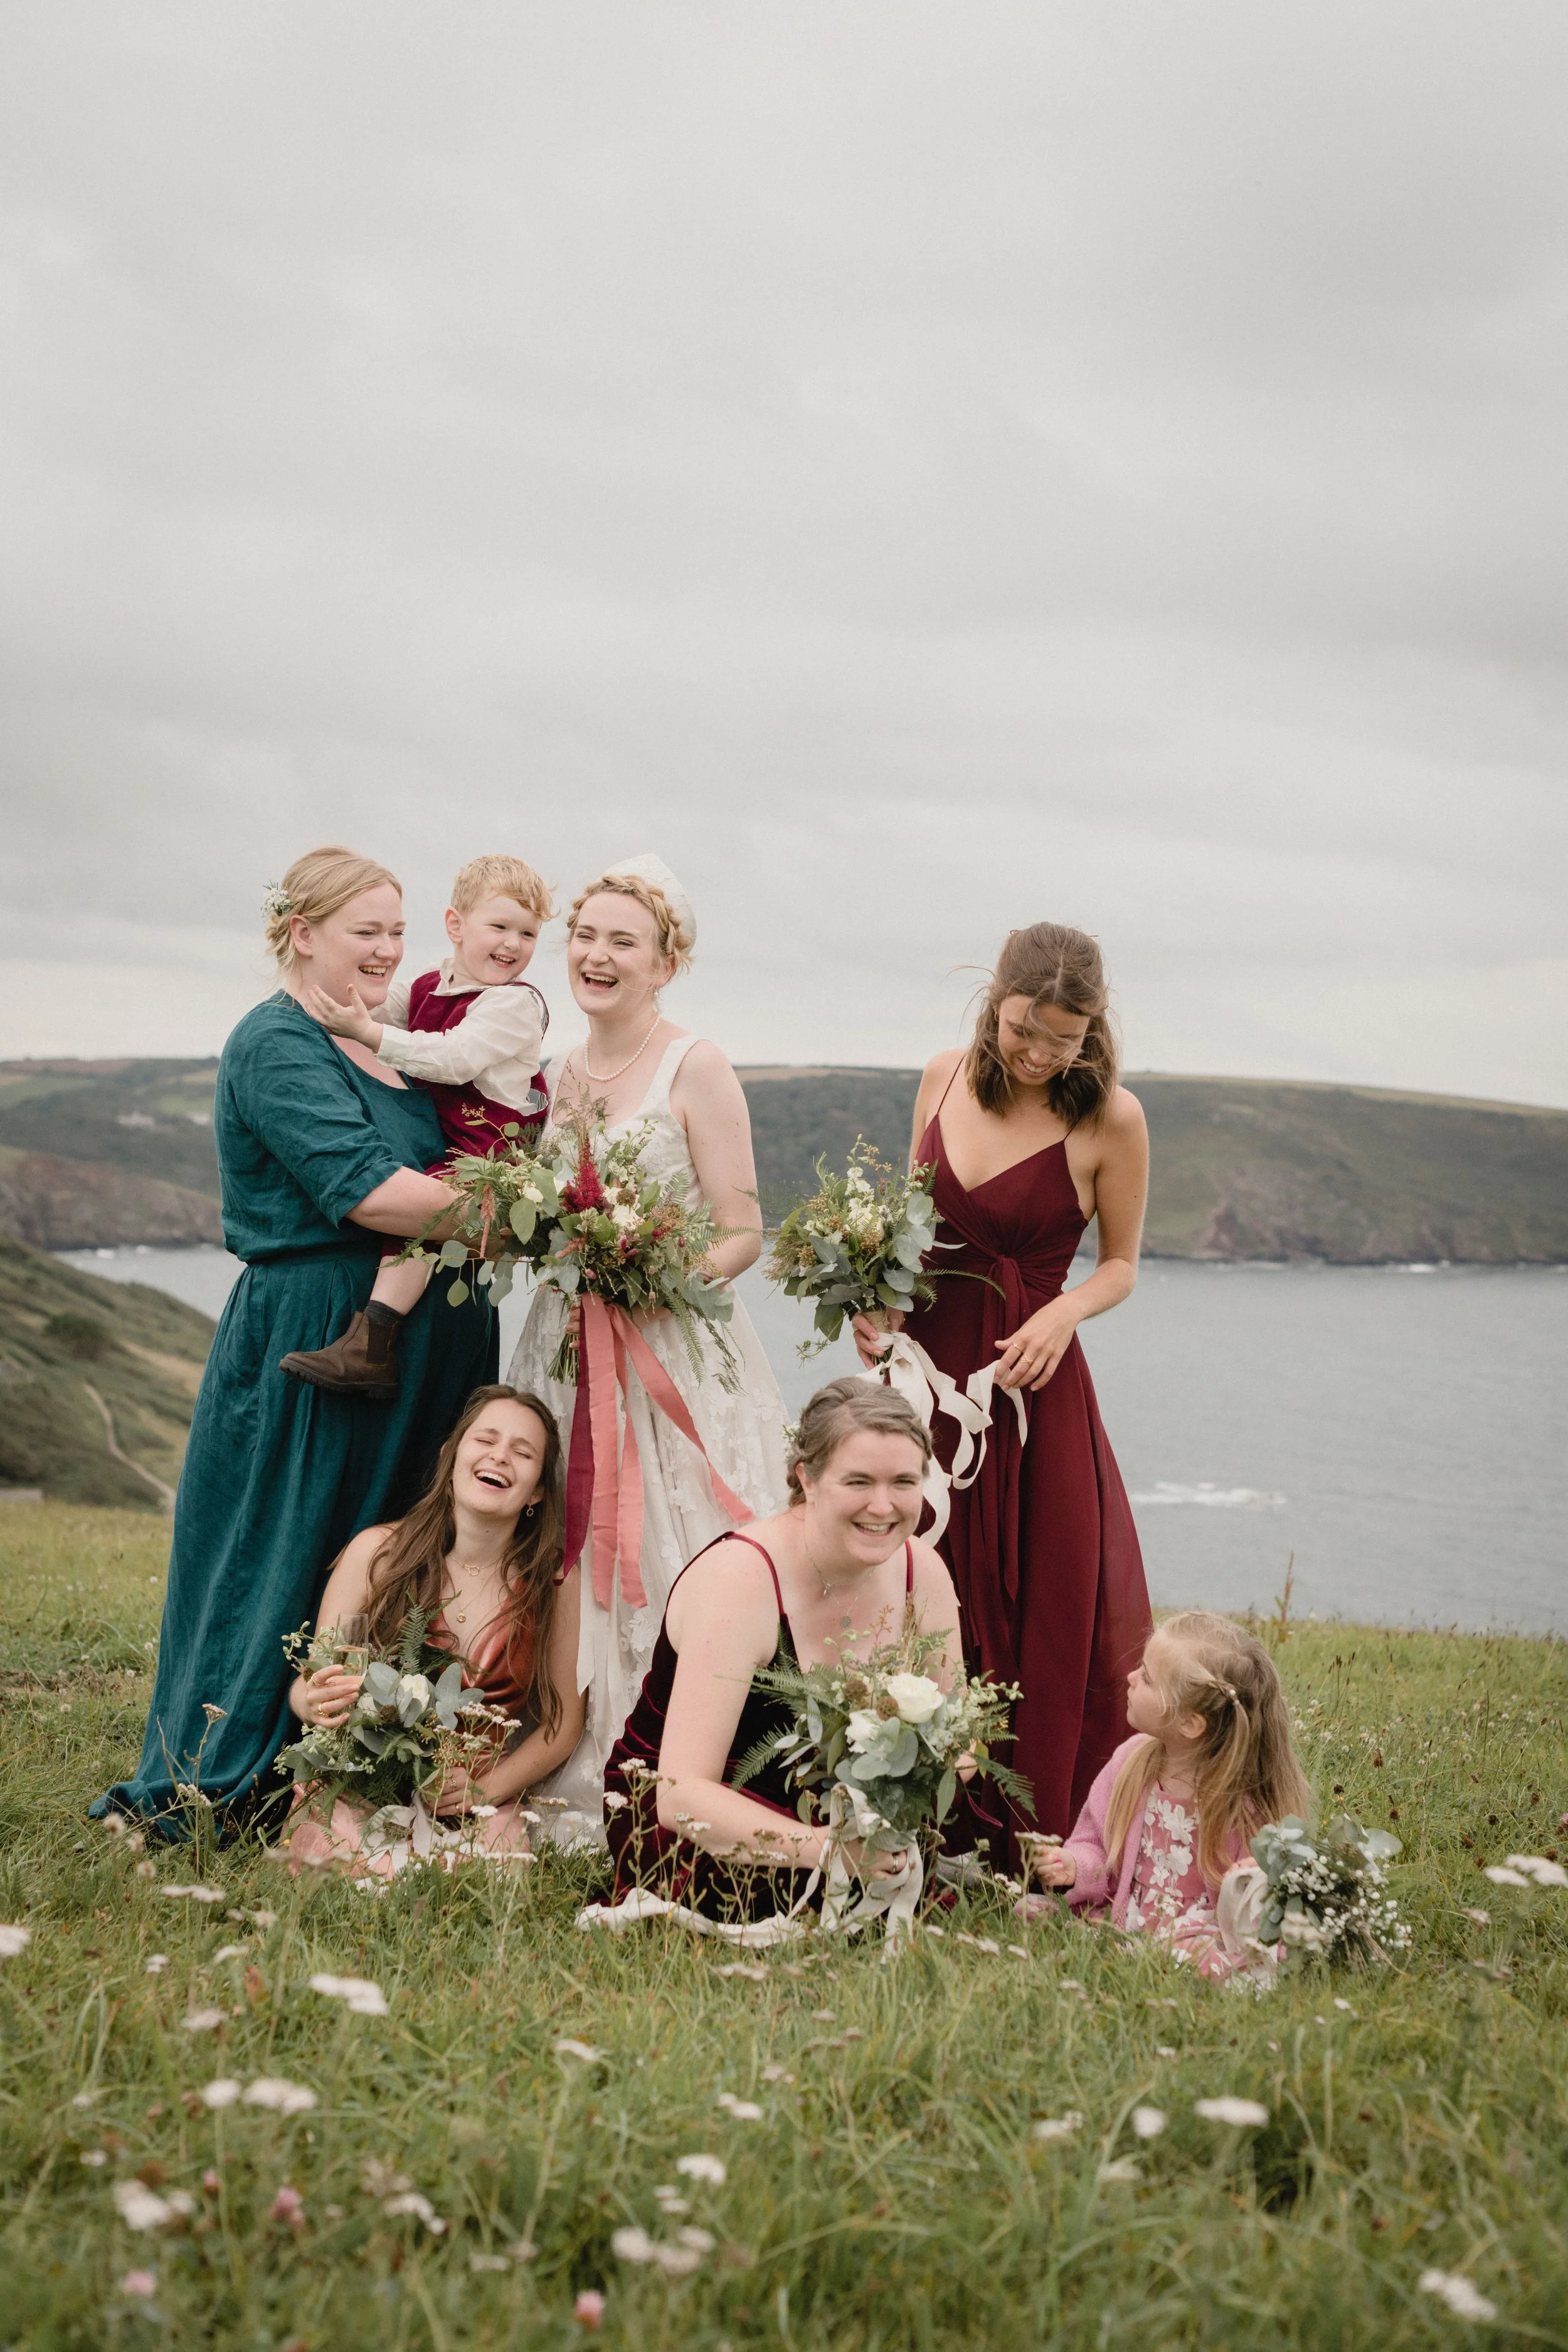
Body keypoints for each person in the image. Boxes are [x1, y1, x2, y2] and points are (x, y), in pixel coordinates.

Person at [94, 845, 497, 1836]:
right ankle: (224, 1776)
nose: (387, 951)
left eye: (398, 932)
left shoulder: (391, 1035)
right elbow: (367, 1192)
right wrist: (528, 1216)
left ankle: (370, 1760)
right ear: (302, 932)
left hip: (430, 1340)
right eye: (367, 931)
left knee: (402, 1553)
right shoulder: (274, 1043)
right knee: (284, 1543)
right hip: (318, 1330)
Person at [854, 920, 1152, 1855]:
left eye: (1062, 1039)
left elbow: (1122, 1264)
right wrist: (879, 1304)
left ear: (1092, 1030)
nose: (1036, 1053)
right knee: (908, 1573)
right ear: (995, 1001)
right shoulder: (942, 1074)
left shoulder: (1113, 1118)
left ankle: (1021, 1825)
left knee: (1039, 1600)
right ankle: (902, 1795)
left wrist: (1061, 1316)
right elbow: (909, 1225)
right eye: (1024, 1028)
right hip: (926, 1373)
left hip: (1028, 1382)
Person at [507, 852, 789, 1840]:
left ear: (665, 962)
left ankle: (683, 1760)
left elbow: (742, 1229)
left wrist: (653, 1283)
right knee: (564, 1542)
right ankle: (560, 1751)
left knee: (677, 1542)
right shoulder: (549, 1073)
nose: (596, 955)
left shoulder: (695, 1064)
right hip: (565, 1344)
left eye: (622, 941)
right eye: (585, 937)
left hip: (672, 1350)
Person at [603, 1379, 960, 1922]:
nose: (883, 1506)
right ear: (807, 1480)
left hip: (849, 1818)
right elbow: (680, 1797)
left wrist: (902, 1798)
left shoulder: (921, 1570)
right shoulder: (742, 1581)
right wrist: (831, 1850)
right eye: (858, 1481)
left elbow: (959, 1737)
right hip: (699, 1819)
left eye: (904, 1482)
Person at [280, 852, 553, 1399]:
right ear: (456, 925)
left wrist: (369, 1034)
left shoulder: (514, 1005)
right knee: (423, 1212)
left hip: (490, 1145)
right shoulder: (432, 986)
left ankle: (371, 1344)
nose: (512, 944)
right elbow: (377, 1008)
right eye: (499, 926)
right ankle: (372, 1343)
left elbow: (453, 1059)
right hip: (455, 1137)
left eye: (527, 933)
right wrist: (318, 1005)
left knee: (424, 1221)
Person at [283, 1386, 584, 1873]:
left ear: (538, 1491)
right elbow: (310, 1681)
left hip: (473, 1800)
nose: (500, 1456)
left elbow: (564, 1725)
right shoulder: (377, 1553)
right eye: (486, 1439)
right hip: (363, 1784)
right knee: (345, 1865)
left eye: (522, 1452)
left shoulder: (555, 1584)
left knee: (481, 1880)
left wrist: (487, 1789)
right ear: (452, 1457)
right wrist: (313, 1702)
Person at [1019, 1611, 1310, 1981]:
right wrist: (1073, 1865)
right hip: (1127, 1913)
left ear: (1189, 1723)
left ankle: (1157, 1960)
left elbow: (1263, 1900)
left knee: (1202, 1956)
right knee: (1031, 1910)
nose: (1131, 1677)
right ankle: (1133, 1952)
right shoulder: (1131, 1762)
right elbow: (1096, 1842)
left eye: (1148, 1678)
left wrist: (1256, 1877)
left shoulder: (1240, 1800)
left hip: (1200, 1931)